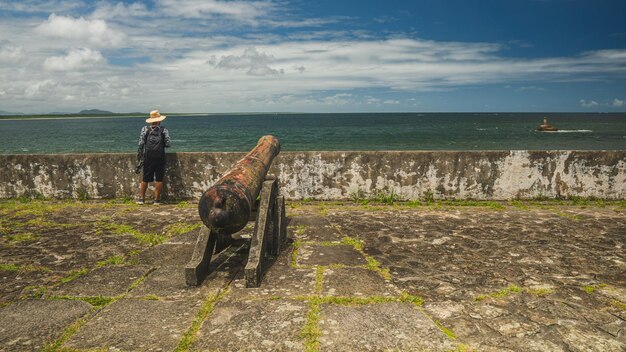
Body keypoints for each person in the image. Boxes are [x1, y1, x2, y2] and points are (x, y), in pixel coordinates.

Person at [136, 110, 171, 205]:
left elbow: (141, 144)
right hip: (160, 157)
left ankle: (141, 199)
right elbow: (168, 144)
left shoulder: (145, 129)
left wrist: (139, 157)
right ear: (159, 120)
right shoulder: (164, 130)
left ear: (151, 120)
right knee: (159, 179)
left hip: (148, 157)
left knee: (145, 178)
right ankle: (157, 200)